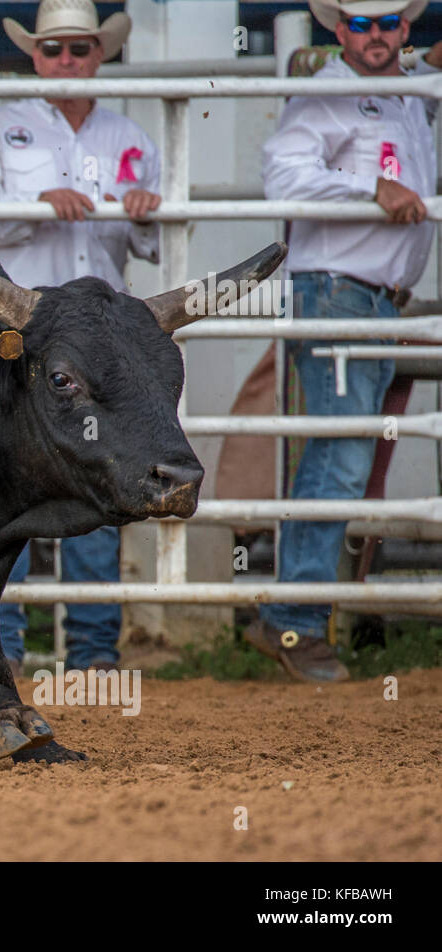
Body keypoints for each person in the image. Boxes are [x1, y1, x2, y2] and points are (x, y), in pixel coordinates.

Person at [0, 0, 160, 676]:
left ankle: (93, 651)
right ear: (35, 56)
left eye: (80, 48)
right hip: (27, 331)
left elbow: (151, 238)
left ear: (101, 53)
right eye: (54, 49)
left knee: (95, 479)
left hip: (100, 337)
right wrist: (37, 207)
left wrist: (147, 213)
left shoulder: (133, 138)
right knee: (8, 486)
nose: (66, 60)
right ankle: (2, 647)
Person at [248, 0, 439, 681]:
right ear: (340, 30)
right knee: (341, 461)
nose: (378, 35)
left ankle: (291, 620)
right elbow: (283, 176)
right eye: (363, 24)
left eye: (389, 23)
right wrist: (372, 188)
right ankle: (296, 623)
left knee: (340, 457)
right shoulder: (324, 95)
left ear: (406, 30)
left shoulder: (409, 95)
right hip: (340, 291)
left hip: (373, 298)